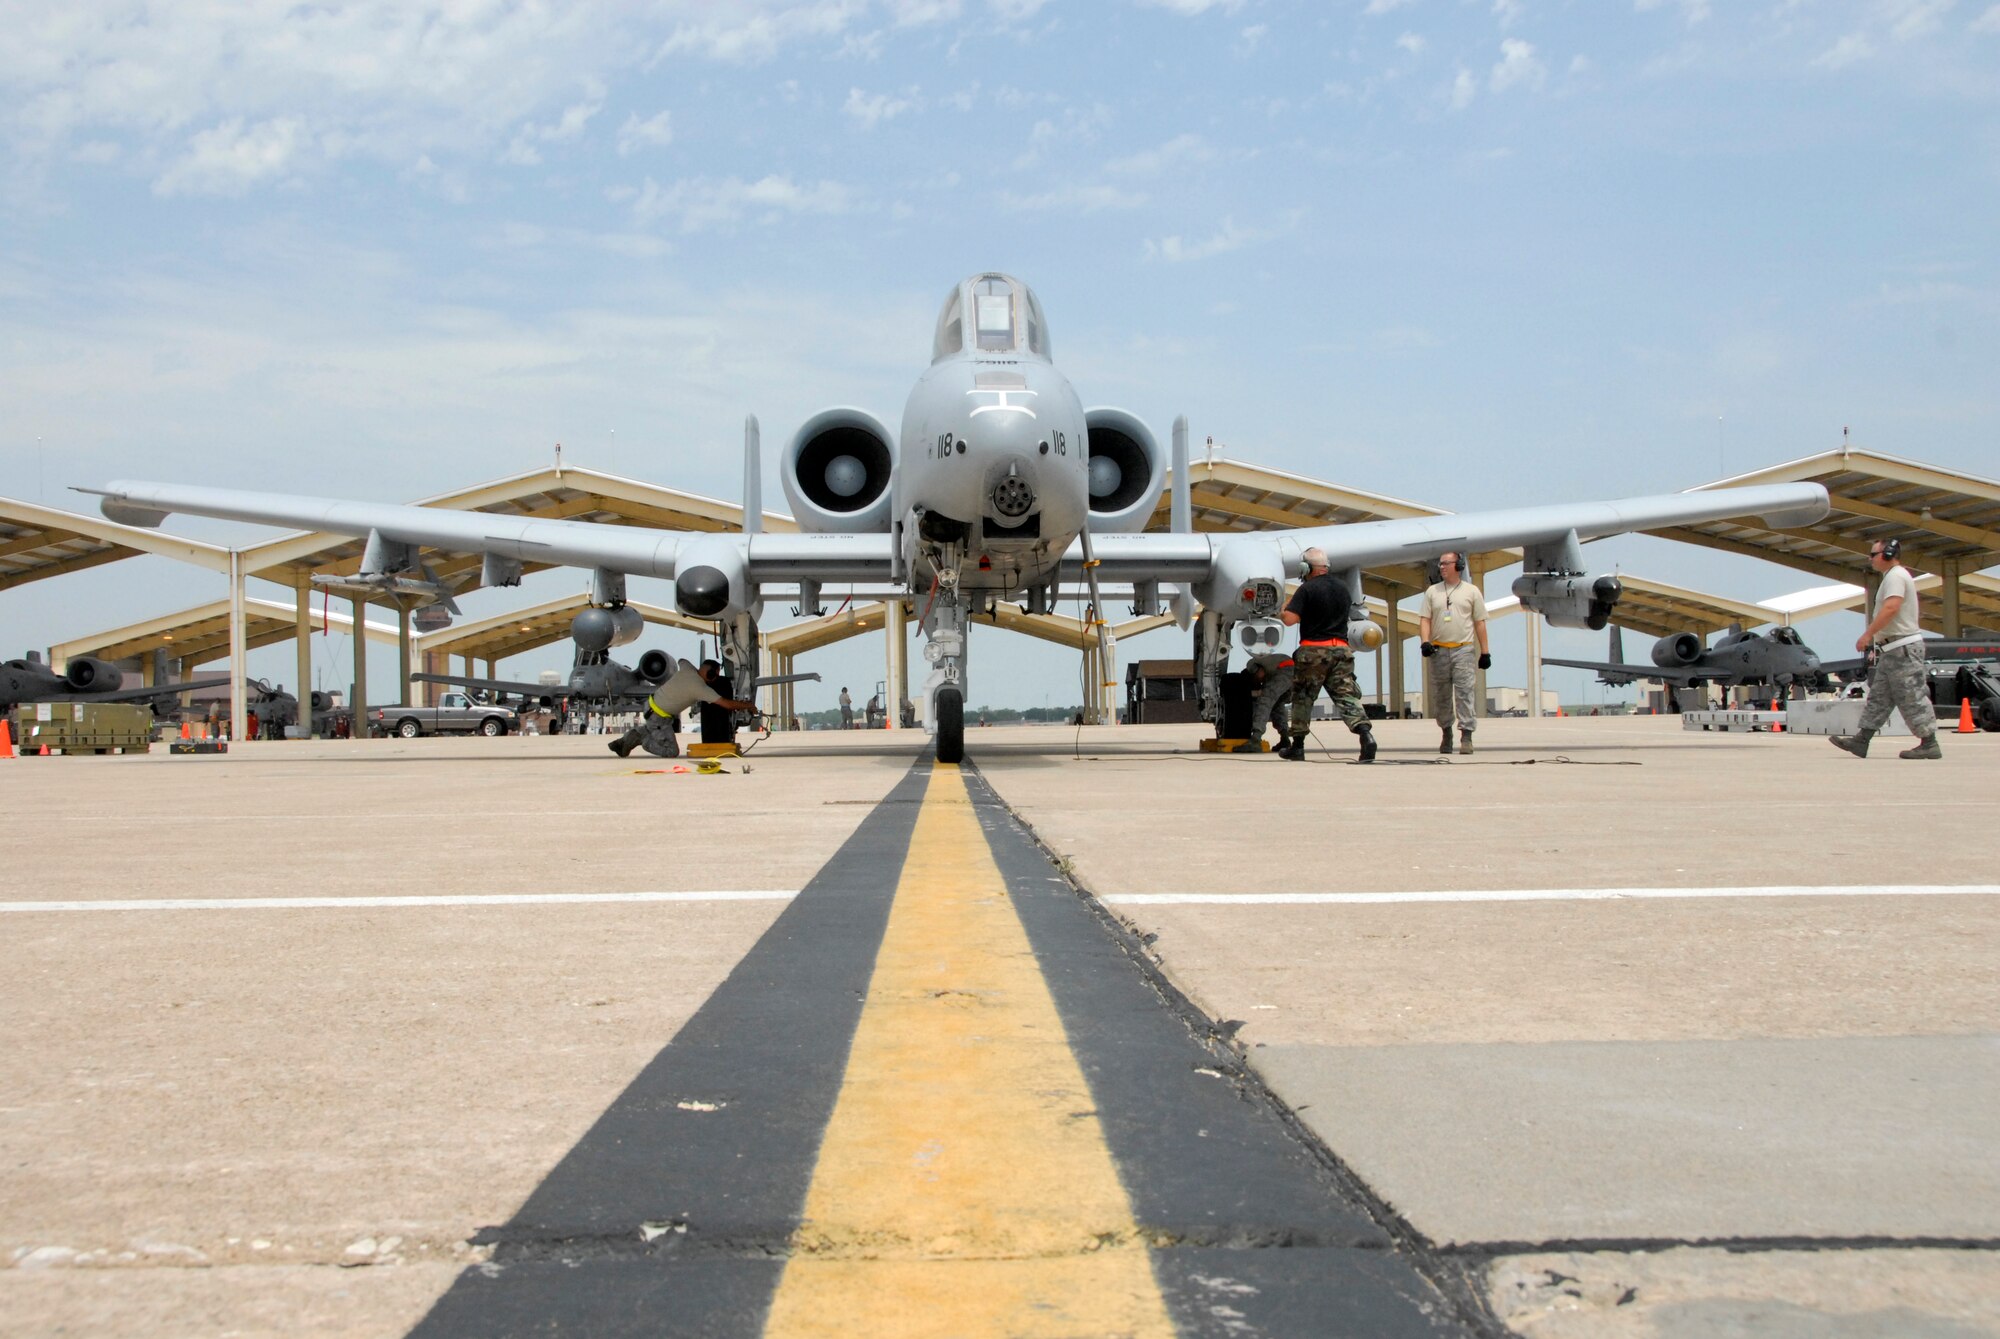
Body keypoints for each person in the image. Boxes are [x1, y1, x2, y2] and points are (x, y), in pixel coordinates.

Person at [1832, 538, 1941, 760]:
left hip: (1903, 650)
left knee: (1912, 696)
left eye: (1873, 554)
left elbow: (1891, 607)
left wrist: (1868, 634)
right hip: (1893, 650)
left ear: (1888, 555)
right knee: (1879, 697)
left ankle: (1929, 743)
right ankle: (1862, 741)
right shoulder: (1891, 577)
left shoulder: (1896, 576)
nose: (1870, 559)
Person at [1278, 547, 1375, 762]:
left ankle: (1298, 746)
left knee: (1303, 698)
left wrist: (1281, 608)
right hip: (1341, 650)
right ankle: (1365, 735)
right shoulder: (1343, 588)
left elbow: (1290, 619)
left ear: (1306, 568)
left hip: (1313, 651)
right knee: (1346, 696)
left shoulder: (1306, 590)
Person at [1418, 551, 1490, 755]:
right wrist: (1425, 641)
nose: (1441, 567)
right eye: (1440, 564)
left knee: (1465, 693)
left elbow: (1480, 622)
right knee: (1441, 696)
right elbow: (1425, 619)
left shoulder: (1472, 591)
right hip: (1439, 650)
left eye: (1446, 564)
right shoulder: (1432, 592)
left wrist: (1485, 652)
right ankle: (1446, 733)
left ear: (1458, 566)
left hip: (1463, 649)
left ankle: (1466, 735)